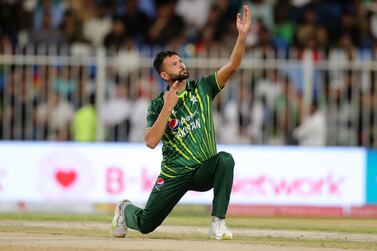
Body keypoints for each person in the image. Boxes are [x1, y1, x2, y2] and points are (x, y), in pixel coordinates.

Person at [110, 5, 252, 240]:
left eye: (180, 61)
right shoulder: (157, 105)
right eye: (175, 64)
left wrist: (242, 35)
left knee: (225, 160)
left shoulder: (204, 88)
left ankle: (217, 223)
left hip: (202, 171)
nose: (181, 65)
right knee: (146, 225)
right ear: (165, 75)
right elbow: (151, 142)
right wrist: (168, 107)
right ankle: (125, 209)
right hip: (174, 174)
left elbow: (233, 65)